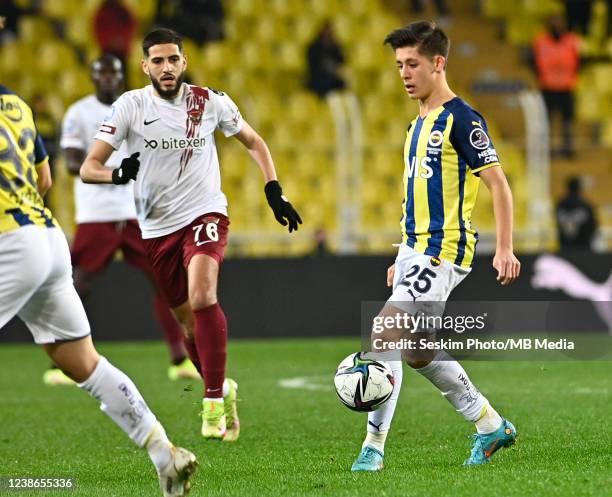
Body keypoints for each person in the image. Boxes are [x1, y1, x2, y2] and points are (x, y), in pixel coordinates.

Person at [80, 28, 302, 441]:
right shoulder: (130, 106)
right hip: (157, 229)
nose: (167, 68)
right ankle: (222, 388)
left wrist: (274, 189)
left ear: (184, 62)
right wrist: (116, 174)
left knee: (203, 296)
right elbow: (88, 167)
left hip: (205, 213)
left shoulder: (209, 101)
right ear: (145, 66)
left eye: (173, 59)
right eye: (158, 61)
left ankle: (213, 401)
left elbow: (254, 142)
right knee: (186, 327)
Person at [0, 86, 197, 497]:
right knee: (82, 362)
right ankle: (164, 453)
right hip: (47, 238)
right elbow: (45, 178)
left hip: (9, 243)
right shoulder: (15, 103)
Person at [351, 21, 521, 471]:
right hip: (415, 249)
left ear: (438, 63)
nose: (404, 74)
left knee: (385, 332)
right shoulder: (417, 124)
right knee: (418, 350)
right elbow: (414, 195)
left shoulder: (462, 119)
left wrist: (505, 249)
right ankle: (490, 425)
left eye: (412, 64)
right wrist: (400, 255)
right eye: (399, 66)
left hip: (443, 250)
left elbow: (499, 186)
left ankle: (373, 447)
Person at [42, 54, 200, 387]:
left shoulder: (141, 106)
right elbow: (72, 163)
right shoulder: (79, 113)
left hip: (137, 212)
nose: (109, 80)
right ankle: (63, 363)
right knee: (78, 284)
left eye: (115, 75)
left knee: (164, 281)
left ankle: (180, 357)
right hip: (97, 213)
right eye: (103, 75)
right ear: (93, 77)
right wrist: (115, 171)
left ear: (121, 77)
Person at [532, 14, 580, 158]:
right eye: (554, 22)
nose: (556, 25)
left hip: (567, 89)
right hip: (547, 88)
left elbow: (580, 62)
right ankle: (546, 150)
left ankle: (568, 148)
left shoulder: (573, 41)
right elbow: (532, 62)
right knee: (546, 123)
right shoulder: (540, 42)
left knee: (568, 121)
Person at [306, 20, 347, 98]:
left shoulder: (334, 46)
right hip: (317, 79)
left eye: (331, 31)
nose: (329, 33)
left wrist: (337, 47)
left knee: (342, 84)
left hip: (332, 78)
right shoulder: (314, 47)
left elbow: (342, 61)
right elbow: (313, 65)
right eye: (327, 31)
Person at [555, 176, 597, 251]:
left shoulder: (560, 204)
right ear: (579, 188)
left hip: (565, 249)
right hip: (583, 248)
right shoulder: (586, 205)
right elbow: (593, 226)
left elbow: (556, 223)